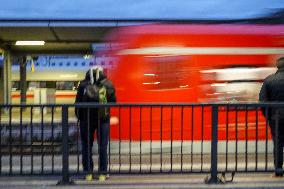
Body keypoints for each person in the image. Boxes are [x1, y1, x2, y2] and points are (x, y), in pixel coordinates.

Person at [75, 66, 116, 181]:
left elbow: (77, 103)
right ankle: (103, 173)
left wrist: (80, 117)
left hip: (86, 120)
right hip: (102, 119)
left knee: (86, 146)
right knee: (103, 146)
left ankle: (88, 173)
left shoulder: (83, 85)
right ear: (102, 73)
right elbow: (113, 102)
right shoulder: (108, 84)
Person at [259, 57, 284, 177]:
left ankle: (278, 170)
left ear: (277, 66)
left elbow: (262, 102)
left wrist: (268, 116)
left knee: (278, 144)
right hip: (276, 117)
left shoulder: (269, 80)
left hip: (276, 118)